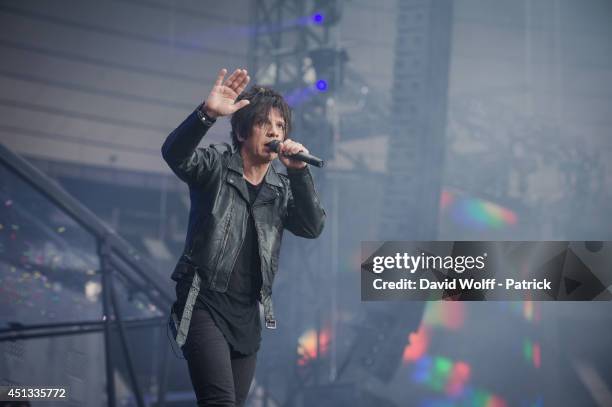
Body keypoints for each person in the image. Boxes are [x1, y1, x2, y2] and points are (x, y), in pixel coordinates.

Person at [161, 68, 326, 406]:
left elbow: (312, 227)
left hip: (247, 316)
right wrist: (205, 115)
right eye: (264, 123)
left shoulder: (280, 190)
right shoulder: (216, 166)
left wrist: (299, 173)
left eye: (281, 126)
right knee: (219, 401)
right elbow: (174, 155)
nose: (274, 131)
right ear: (241, 130)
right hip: (204, 302)